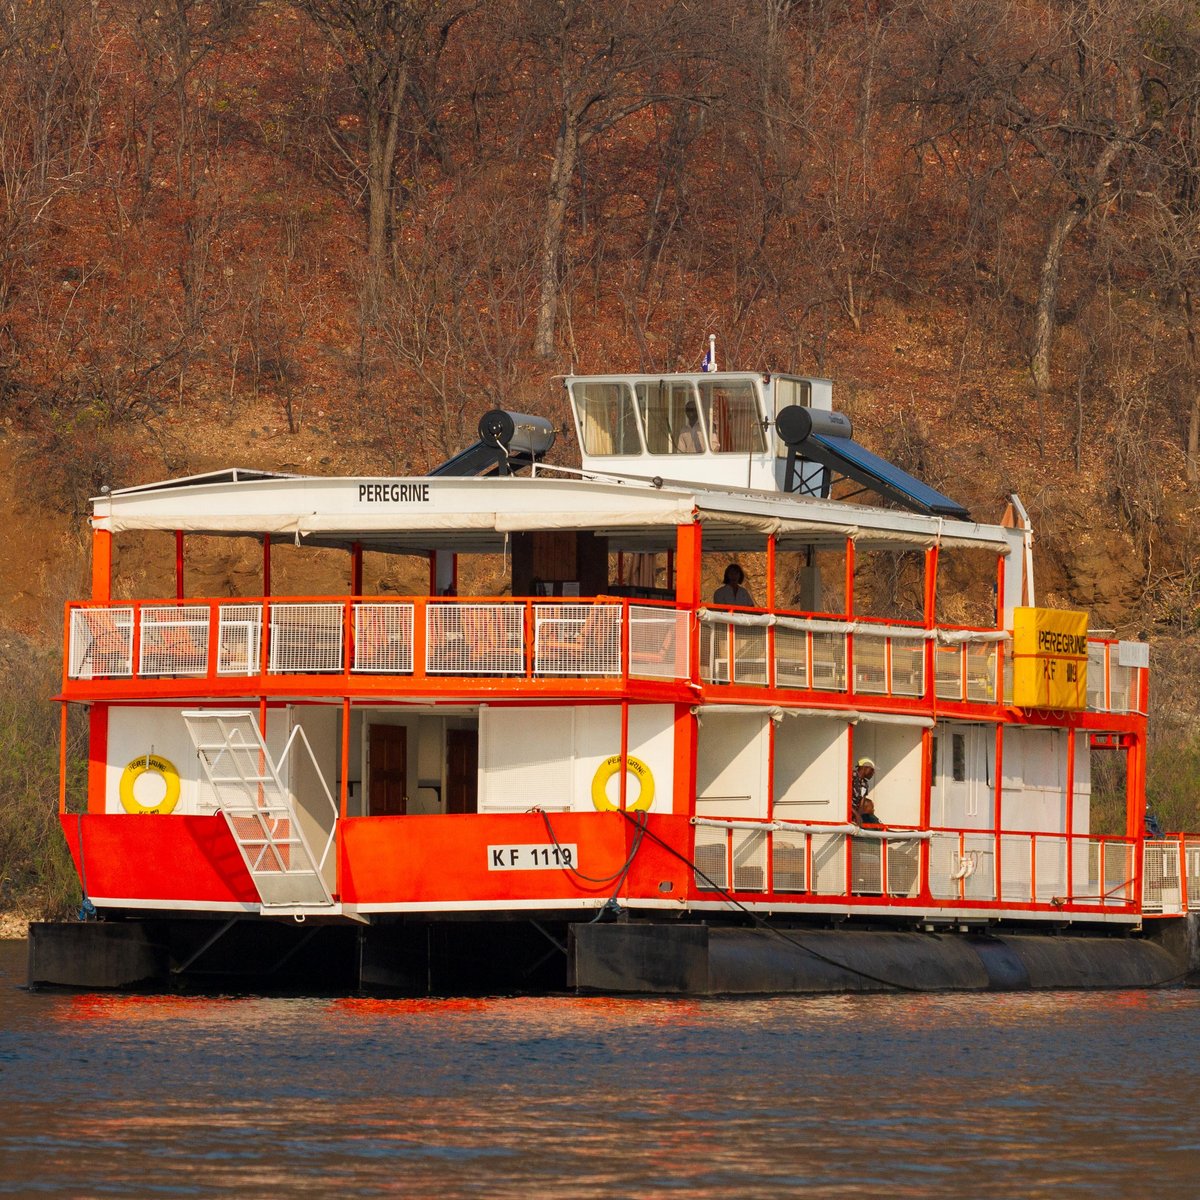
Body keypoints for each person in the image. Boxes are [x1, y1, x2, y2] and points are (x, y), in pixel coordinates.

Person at [851, 757, 875, 821]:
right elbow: (843, 799)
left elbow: (862, 804)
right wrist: (856, 814)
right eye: (872, 770)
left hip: (854, 816)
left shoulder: (865, 784)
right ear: (864, 768)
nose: (873, 773)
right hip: (844, 814)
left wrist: (858, 816)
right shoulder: (851, 776)